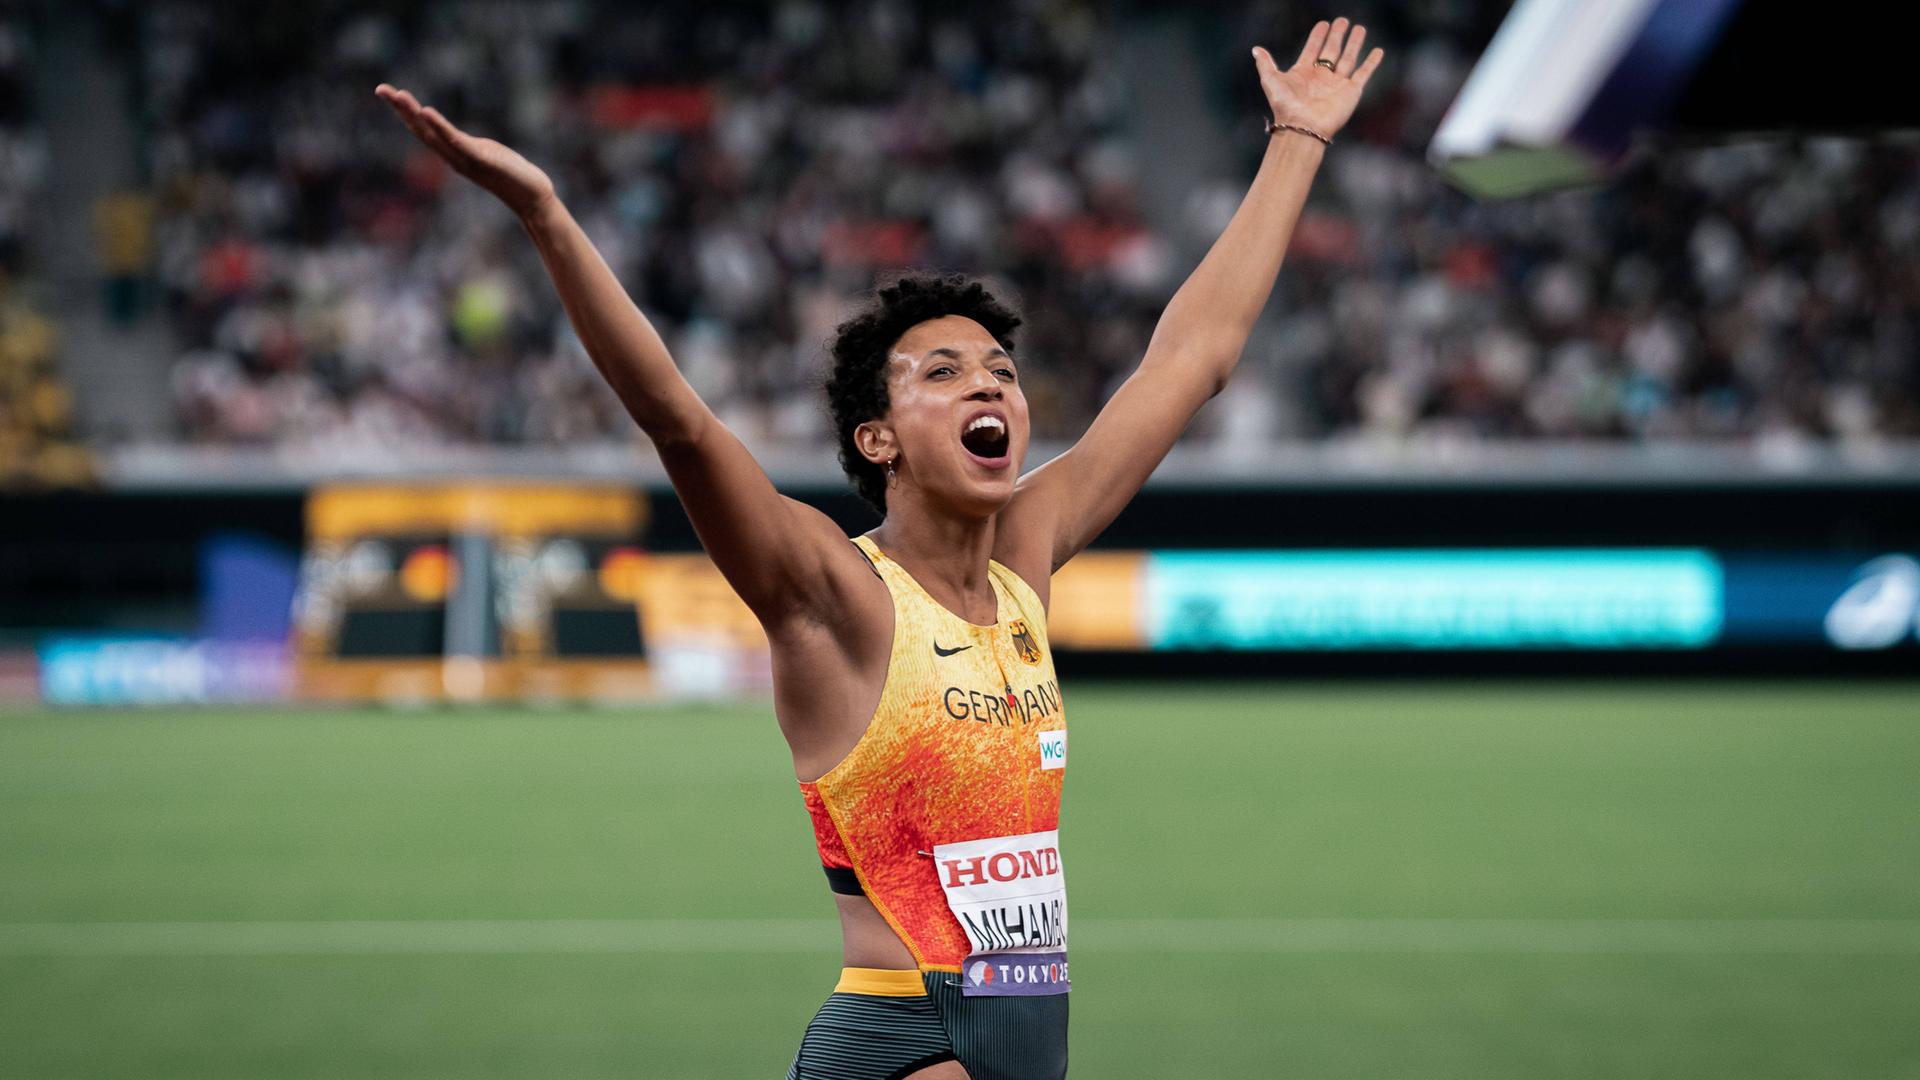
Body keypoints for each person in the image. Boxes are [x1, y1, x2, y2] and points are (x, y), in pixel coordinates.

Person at [378, 17, 1381, 1080]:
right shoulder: (835, 593)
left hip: (1031, 1039)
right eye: (943, 373)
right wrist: (546, 216)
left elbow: (1191, 359)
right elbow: (679, 421)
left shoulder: (1024, 560)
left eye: (1000, 370)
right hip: (907, 1039)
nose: (988, 383)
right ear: (878, 438)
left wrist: (1297, 141)